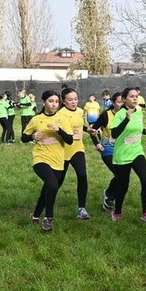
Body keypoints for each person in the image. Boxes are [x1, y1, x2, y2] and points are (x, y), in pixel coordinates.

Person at [21, 90, 74, 231]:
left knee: (47, 189)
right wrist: (32, 136)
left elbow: (69, 140)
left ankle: (35, 215)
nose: (54, 104)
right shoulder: (36, 119)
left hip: (58, 160)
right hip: (40, 158)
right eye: (51, 101)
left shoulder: (63, 119)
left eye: (56, 101)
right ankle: (49, 218)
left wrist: (59, 130)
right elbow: (23, 138)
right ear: (43, 102)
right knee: (52, 185)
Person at [110, 87, 146, 223]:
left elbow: (135, 129)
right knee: (123, 186)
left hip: (137, 151)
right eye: (131, 96)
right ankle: (117, 211)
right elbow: (114, 134)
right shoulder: (119, 114)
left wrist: (145, 131)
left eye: (136, 96)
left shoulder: (139, 112)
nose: (135, 98)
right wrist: (126, 119)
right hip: (122, 155)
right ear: (124, 99)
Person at [57, 87, 93, 220]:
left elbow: (78, 124)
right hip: (63, 150)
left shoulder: (79, 111)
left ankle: (82, 209)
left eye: (76, 99)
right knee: (57, 181)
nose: (74, 102)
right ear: (63, 101)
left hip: (78, 148)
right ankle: (44, 203)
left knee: (82, 175)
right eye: (70, 100)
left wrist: (87, 130)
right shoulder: (60, 114)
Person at [89, 92, 124, 212]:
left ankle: (109, 194)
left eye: (123, 102)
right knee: (120, 174)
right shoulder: (106, 115)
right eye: (119, 102)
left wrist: (145, 131)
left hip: (122, 150)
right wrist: (97, 143)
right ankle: (109, 196)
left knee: (122, 176)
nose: (122, 104)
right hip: (107, 149)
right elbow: (92, 130)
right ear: (113, 103)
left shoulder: (127, 115)